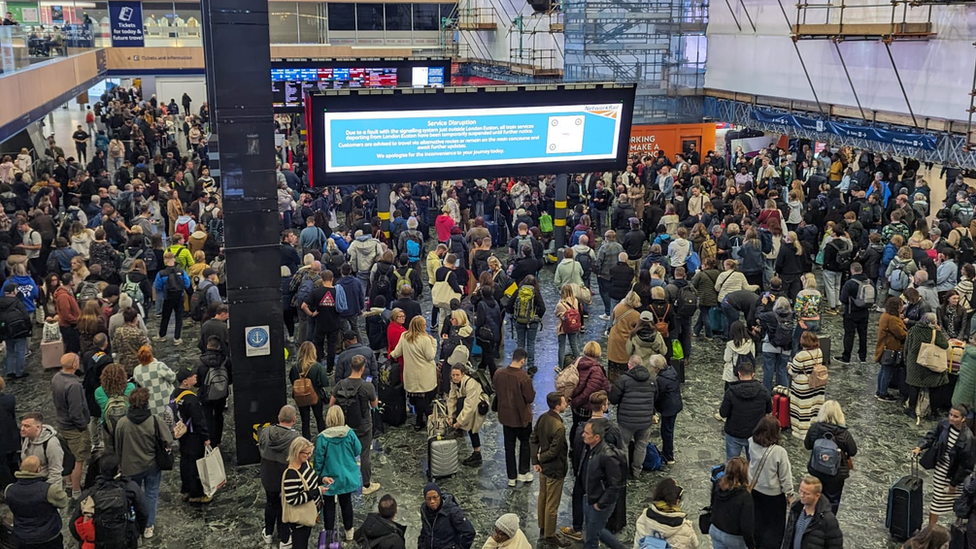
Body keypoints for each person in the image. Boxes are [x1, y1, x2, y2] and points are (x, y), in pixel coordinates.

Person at [108, 387, 172, 539]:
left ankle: (133, 522)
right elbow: (168, 439)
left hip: (129, 467)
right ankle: (148, 526)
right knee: (151, 494)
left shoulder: (122, 423)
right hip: (152, 465)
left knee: (131, 496)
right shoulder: (155, 420)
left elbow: (117, 446)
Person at [912, 403, 976, 526]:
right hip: (942, 468)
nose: (951, 418)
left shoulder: (968, 438)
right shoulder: (944, 424)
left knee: (958, 500)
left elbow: (966, 465)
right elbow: (931, 436)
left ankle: (956, 527)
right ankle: (931, 529)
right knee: (937, 500)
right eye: (950, 415)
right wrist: (919, 447)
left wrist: (953, 483)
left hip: (955, 474)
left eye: (955, 416)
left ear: (963, 418)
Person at [69, 453, 148, 549]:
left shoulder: (90, 494)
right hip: (126, 540)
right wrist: (137, 531)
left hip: (99, 542)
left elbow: (73, 524)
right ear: (119, 469)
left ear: (100, 470)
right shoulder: (130, 488)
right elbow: (143, 512)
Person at [329, 354, 379, 495]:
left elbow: (331, 403)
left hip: (345, 427)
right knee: (364, 455)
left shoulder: (341, 384)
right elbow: (374, 405)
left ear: (350, 366)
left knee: (345, 455)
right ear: (363, 368)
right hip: (363, 426)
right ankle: (367, 485)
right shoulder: (367, 386)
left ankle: (345, 482)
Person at [312, 406, 361, 541]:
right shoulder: (349, 433)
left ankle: (329, 534)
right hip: (347, 476)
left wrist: (317, 477)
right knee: (346, 503)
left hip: (329, 478)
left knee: (328, 506)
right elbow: (358, 450)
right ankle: (349, 532)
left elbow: (319, 460)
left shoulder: (323, 437)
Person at [803, 401, 858, 515]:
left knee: (814, 498)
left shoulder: (814, 428)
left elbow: (807, 445)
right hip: (836, 475)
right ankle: (827, 522)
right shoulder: (843, 433)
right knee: (832, 501)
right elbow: (853, 451)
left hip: (816, 470)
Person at [530, 392, 570, 547]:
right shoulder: (559, 427)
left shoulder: (542, 418)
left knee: (543, 499)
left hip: (544, 469)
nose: (566, 404)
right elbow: (554, 451)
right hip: (555, 469)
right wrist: (541, 458)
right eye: (564, 402)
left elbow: (533, 439)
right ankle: (550, 534)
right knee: (552, 504)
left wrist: (536, 460)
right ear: (558, 406)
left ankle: (543, 527)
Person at [580, 419, 626, 549]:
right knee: (595, 530)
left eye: (587, 433)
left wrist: (600, 504)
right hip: (589, 497)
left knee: (591, 540)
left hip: (599, 502)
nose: (583, 435)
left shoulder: (607, 456)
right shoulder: (589, 448)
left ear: (596, 437)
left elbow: (615, 485)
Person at [749, 415, 793, 549]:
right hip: (773, 496)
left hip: (755, 489)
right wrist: (789, 493)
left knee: (757, 522)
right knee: (774, 528)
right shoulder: (779, 452)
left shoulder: (751, 441)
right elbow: (785, 475)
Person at [259, 405, 300, 548]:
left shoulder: (265, 432)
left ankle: (268, 533)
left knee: (270, 503)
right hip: (286, 478)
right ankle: (284, 538)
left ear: (278, 417)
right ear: (294, 420)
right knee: (285, 505)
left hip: (268, 475)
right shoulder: (296, 438)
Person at [5, 454, 67, 549]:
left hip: (22, 536)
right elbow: (63, 502)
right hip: (48, 536)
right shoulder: (49, 490)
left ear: (20, 467)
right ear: (38, 470)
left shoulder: (9, 490)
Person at [494, 348, 536, 487]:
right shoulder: (523, 377)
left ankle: (511, 477)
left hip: (506, 417)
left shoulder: (499, 373)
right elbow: (529, 398)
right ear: (523, 360)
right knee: (525, 444)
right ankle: (523, 473)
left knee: (509, 447)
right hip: (522, 417)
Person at [609, 355, 656, 477]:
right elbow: (656, 397)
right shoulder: (651, 380)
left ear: (629, 365)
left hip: (626, 420)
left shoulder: (623, 380)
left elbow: (613, 399)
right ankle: (637, 471)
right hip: (645, 420)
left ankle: (624, 471)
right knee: (641, 445)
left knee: (623, 445)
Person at [50, 353, 89, 498]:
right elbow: (76, 411)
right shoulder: (74, 385)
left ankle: (69, 484)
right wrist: (83, 426)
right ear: (74, 365)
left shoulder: (56, 378)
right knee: (78, 460)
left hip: (62, 423)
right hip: (74, 428)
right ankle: (77, 491)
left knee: (67, 456)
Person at [171, 366, 211, 504]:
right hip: (194, 436)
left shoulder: (175, 394)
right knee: (196, 465)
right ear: (185, 382)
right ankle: (196, 494)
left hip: (183, 435)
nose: (195, 376)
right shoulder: (191, 399)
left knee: (185, 461)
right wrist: (206, 437)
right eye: (192, 376)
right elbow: (198, 420)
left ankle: (185, 490)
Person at [390, 316, 438, 430]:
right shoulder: (425, 339)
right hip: (425, 374)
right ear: (420, 326)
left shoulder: (404, 336)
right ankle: (428, 419)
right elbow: (430, 356)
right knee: (425, 399)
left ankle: (419, 420)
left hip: (410, 374)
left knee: (417, 399)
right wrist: (434, 342)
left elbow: (396, 353)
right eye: (424, 325)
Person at [720, 360, 772, 460]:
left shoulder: (731, 392)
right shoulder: (763, 391)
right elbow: (769, 409)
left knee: (732, 464)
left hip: (734, 433)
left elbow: (723, 413)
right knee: (753, 465)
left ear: (739, 374)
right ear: (753, 374)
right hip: (755, 434)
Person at [905, 313, 950, 421]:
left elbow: (907, 346)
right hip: (930, 365)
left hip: (914, 364)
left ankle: (911, 409)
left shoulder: (913, 330)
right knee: (935, 387)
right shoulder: (934, 332)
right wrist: (939, 331)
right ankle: (934, 412)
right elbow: (945, 345)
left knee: (914, 386)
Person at [633, 477, 699, 549]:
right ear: (677, 501)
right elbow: (695, 545)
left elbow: (637, 545)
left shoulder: (643, 517)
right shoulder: (685, 529)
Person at [282, 437, 324, 549]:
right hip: (300, 519)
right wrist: (317, 491)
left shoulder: (304, 463)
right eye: (307, 453)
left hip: (309, 513)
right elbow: (293, 500)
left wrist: (322, 480)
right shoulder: (291, 474)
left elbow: (312, 479)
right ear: (297, 452)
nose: (309, 456)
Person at [781, 476, 844, 549]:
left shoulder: (827, 520)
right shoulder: (796, 509)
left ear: (817, 496)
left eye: (807, 494)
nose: (802, 495)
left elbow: (835, 545)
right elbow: (788, 538)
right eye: (800, 491)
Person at [708, 456, 755, 549]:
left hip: (715, 529)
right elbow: (746, 526)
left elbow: (712, 504)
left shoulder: (718, 484)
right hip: (734, 537)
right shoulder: (745, 496)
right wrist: (751, 545)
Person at [569, 341, 610, 445]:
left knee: (575, 425)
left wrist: (573, 401)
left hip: (575, 404)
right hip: (587, 406)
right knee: (588, 429)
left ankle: (573, 448)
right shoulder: (596, 370)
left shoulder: (577, 362)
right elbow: (590, 391)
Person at [448, 364, 488, 467]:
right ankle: (476, 453)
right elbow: (452, 399)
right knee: (469, 426)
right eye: (453, 375)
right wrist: (450, 416)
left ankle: (477, 454)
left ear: (463, 374)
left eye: (457, 375)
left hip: (478, 404)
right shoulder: (454, 382)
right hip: (467, 403)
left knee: (472, 427)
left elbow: (470, 406)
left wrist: (459, 422)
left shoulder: (471, 383)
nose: (455, 377)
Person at [288, 341, 330, 439]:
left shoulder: (295, 367)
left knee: (305, 421)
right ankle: (323, 439)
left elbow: (292, 381)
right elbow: (325, 382)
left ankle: (306, 441)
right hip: (316, 395)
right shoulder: (317, 367)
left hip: (300, 396)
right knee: (319, 418)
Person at [789, 332, 825, 439]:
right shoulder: (819, 351)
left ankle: (802, 432)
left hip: (803, 386)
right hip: (818, 384)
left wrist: (788, 368)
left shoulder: (800, 355)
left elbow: (793, 371)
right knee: (814, 407)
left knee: (802, 408)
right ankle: (813, 427)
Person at [418, 482, 476, 549]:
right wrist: (421, 545)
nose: (432, 501)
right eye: (428, 499)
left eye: (435, 497)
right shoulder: (424, 510)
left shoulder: (453, 511)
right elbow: (425, 531)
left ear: (440, 496)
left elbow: (469, 532)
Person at [836, 262, 871, 364]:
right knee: (863, 335)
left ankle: (846, 356)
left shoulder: (850, 283)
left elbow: (843, 299)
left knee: (849, 335)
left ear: (852, 270)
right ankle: (862, 356)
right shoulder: (869, 282)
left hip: (851, 313)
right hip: (864, 312)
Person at [650, 354, 682, 465]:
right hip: (675, 405)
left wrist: (654, 409)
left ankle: (668, 456)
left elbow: (658, 396)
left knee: (666, 432)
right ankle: (667, 453)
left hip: (668, 408)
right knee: (669, 430)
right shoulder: (672, 371)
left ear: (657, 368)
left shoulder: (661, 380)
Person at [153, 251, 190, 345]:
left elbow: (157, 286)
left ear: (165, 260)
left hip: (168, 297)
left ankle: (162, 335)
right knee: (179, 317)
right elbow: (187, 284)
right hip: (179, 297)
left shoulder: (161, 273)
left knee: (165, 317)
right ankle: (177, 338)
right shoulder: (181, 272)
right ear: (174, 259)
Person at [757, 296, 794, 390]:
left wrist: (764, 304)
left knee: (768, 370)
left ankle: (767, 393)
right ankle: (784, 394)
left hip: (770, 345)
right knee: (782, 370)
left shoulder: (771, 315)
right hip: (786, 347)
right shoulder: (792, 315)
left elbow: (758, 314)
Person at [876, 297, 908, 401]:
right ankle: (883, 393)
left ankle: (879, 390)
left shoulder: (885, 315)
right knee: (887, 372)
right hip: (891, 349)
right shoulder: (893, 319)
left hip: (884, 347)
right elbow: (901, 333)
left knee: (883, 371)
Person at [555, 284, 583, 366]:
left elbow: (556, 313)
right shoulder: (576, 301)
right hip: (573, 325)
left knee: (562, 347)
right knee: (574, 344)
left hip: (562, 327)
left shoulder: (560, 304)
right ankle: (579, 363)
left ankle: (560, 365)